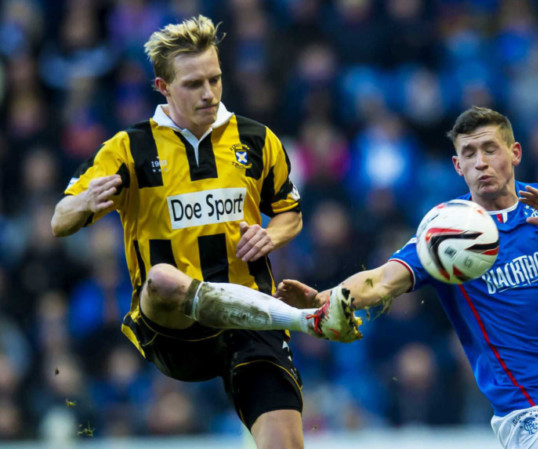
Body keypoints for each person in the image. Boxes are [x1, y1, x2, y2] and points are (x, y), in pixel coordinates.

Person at [278, 106, 538, 449]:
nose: (481, 162)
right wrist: (325, 297)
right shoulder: (446, 232)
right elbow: (381, 281)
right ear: (457, 165)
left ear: (515, 153)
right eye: (469, 153)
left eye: (490, 149)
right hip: (531, 409)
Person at [50, 16, 359, 449]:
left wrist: (272, 235)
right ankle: (307, 320)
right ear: (163, 87)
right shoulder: (128, 148)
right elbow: (59, 221)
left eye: (215, 79)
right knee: (160, 279)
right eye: (194, 84)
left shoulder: (257, 140)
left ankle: (294, 322)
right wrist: (83, 203)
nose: (209, 93)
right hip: (177, 328)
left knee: (285, 445)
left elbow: (291, 214)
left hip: (252, 319)